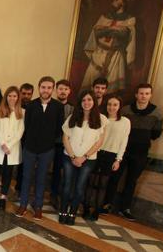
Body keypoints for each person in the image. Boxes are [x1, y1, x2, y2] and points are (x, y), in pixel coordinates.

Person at [104, 83, 163, 220]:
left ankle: (125, 208)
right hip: (122, 150)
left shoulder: (157, 112)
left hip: (140, 152)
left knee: (131, 181)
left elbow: (156, 133)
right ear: (136, 95)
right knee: (114, 177)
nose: (144, 96)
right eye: (141, 93)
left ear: (150, 95)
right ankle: (107, 204)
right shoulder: (125, 110)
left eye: (147, 93)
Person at [16, 77, 64, 220]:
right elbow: (27, 126)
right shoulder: (31, 105)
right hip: (30, 148)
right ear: (39, 88)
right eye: (43, 87)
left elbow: (58, 129)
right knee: (26, 177)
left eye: (49, 87)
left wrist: (47, 141)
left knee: (41, 179)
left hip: (47, 149)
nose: (46, 90)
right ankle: (23, 205)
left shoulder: (58, 107)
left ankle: (38, 207)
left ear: (53, 89)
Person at [59, 90, 107, 225]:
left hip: (88, 159)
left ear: (94, 102)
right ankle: (63, 210)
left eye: (89, 100)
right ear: (80, 103)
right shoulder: (73, 117)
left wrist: (84, 157)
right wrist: (73, 156)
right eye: (84, 100)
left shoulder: (101, 119)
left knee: (80, 187)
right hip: (69, 156)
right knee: (67, 185)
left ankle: (72, 212)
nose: (86, 103)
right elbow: (65, 138)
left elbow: (99, 142)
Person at [84, 95, 130, 221]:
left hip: (111, 155)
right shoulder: (100, 118)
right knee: (91, 181)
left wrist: (118, 159)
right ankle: (86, 208)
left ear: (119, 106)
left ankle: (97, 210)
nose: (112, 107)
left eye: (115, 105)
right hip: (96, 152)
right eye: (109, 104)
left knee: (103, 184)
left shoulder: (125, 121)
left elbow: (124, 142)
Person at [81, 0, 135, 92]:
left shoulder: (129, 19)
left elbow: (124, 35)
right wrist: (113, 28)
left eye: (116, 0)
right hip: (99, 52)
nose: (113, 2)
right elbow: (97, 32)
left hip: (115, 55)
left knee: (110, 89)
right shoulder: (105, 16)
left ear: (123, 3)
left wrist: (106, 29)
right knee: (90, 81)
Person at [0, 87, 24, 211]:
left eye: (14, 96)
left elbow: (20, 132)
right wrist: (3, 144)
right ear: (6, 97)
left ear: (18, 98)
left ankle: (3, 197)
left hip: (12, 149)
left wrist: (9, 145)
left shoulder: (22, 112)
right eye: (10, 96)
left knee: (7, 174)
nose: (12, 98)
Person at [51, 79, 75, 209]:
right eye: (60, 89)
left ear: (69, 91)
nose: (63, 91)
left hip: (64, 145)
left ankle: (55, 195)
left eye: (66, 89)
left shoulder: (72, 108)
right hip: (49, 143)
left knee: (59, 171)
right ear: (56, 90)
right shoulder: (51, 105)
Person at [13, 82, 35, 197]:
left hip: (27, 140)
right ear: (20, 93)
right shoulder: (15, 105)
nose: (26, 96)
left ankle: (20, 188)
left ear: (32, 94)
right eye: (24, 93)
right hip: (14, 139)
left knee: (24, 166)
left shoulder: (34, 106)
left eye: (29, 94)